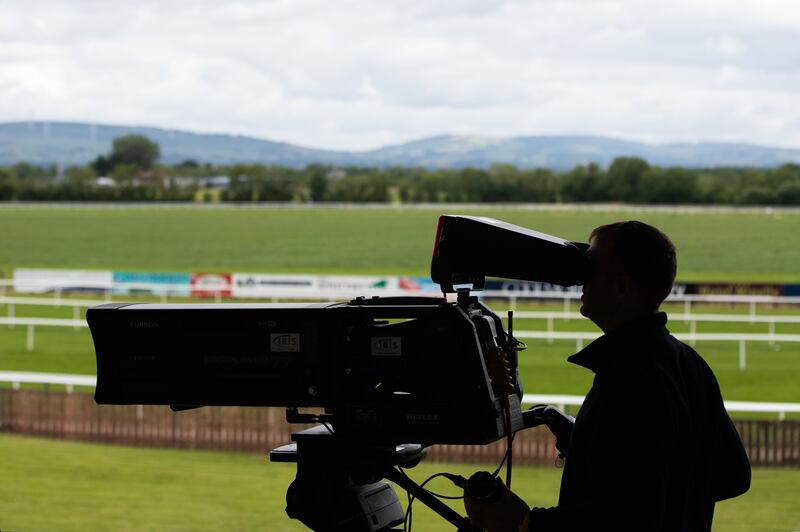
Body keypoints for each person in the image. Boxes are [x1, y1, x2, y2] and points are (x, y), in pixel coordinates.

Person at [464, 220, 751, 532]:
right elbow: (731, 477)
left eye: (591, 266)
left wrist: (525, 523)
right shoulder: (687, 362)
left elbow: (626, 517)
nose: (579, 279)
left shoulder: (628, 379)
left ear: (623, 288)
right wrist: (587, 444)